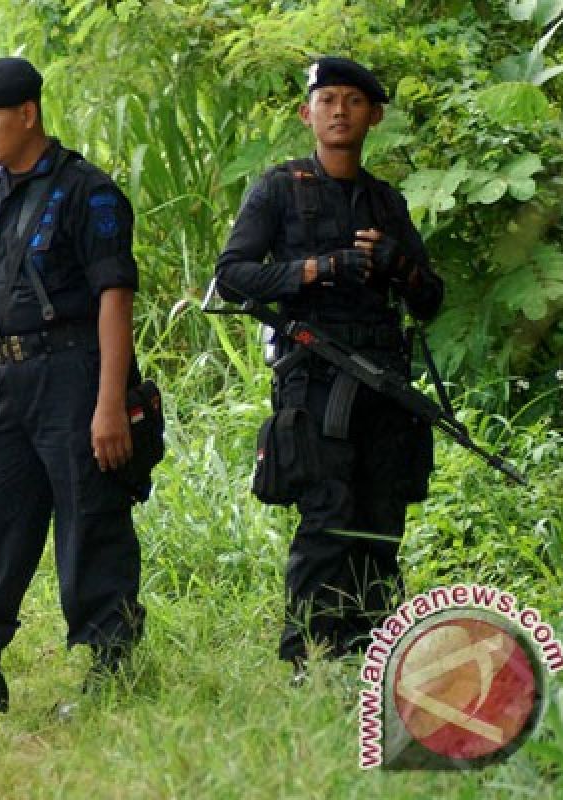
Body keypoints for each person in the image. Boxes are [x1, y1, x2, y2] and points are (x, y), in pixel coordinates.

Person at [215, 57, 444, 675]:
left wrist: (400, 265)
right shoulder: (279, 188)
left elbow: (430, 300)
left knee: (381, 517)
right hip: (314, 375)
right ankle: (307, 659)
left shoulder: (385, 201)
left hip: (384, 381)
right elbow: (232, 276)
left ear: (374, 115)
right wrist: (318, 269)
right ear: (306, 113)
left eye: (352, 100)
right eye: (327, 100)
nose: (339, 111)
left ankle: (373, 655)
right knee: (328, 514)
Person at [0, 56, 145, 717]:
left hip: (76, 375)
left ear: (26, 113)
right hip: (8, 381)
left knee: (90, 527)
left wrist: (109, 403)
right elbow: (0, 282)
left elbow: (115, 299)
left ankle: (112, 671)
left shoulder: (89, 192)